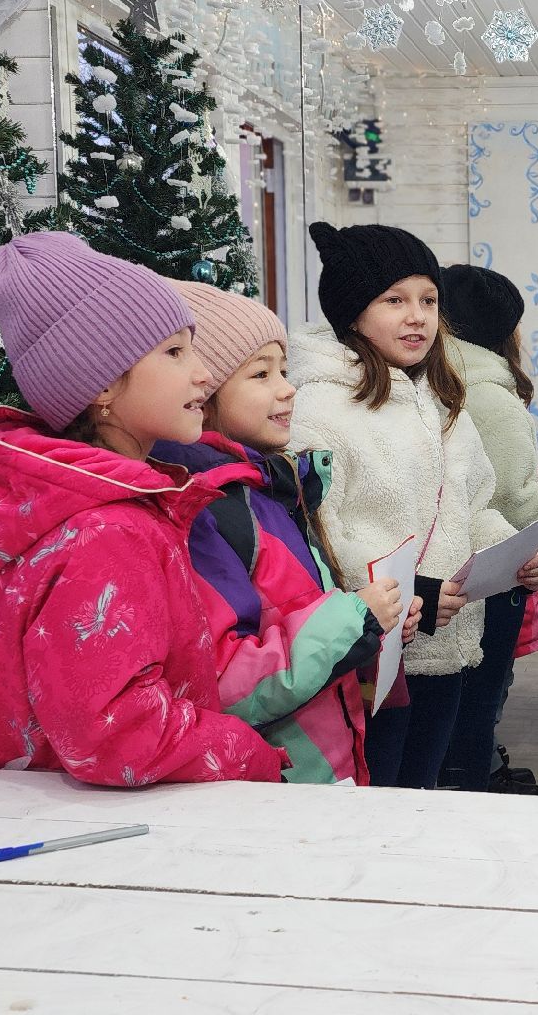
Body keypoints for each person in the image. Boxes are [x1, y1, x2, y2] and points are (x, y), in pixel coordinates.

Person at [0, 232, 284, 785]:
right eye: (174, 352)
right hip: (46, 828)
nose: (204, 373)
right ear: (100, 388)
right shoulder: (106, 530)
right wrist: (246, 752)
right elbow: (118, 733)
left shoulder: (100, 504)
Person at [287, 222, 537, 789]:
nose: (417, 315)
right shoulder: (320, 410)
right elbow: (319, 532)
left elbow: (474, 500)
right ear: (352, 313)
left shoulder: (439, 399)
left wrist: (511, 552)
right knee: (380, 798)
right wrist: (411, 589)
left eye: (428, 299)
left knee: (423, 794)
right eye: (394, 300)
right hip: (377, 654)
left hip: (447, 644)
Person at [150, 280, 420, 785]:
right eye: (260, 374)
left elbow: (296, 612)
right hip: (271, 782)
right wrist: (353, 618)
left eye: (285, 370)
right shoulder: (207, 512)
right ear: (202, 396)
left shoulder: (271, 488)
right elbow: (224, 682)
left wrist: (370, 626)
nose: (287, 388)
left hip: (317, 765)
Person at [438, 264, 538, 794]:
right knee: (481, 690)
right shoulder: (488, 395)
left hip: (457, 567)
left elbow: (492, 479)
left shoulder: (450, 382)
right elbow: (513, 499)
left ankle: (469, 768)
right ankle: (474, 779)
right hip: (491, 571)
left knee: (462, 693)